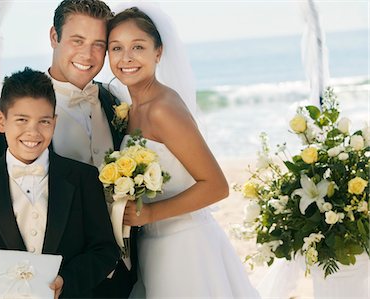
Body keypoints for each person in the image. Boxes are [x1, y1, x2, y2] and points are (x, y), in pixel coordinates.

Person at [0, 1, 136, 298]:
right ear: (54, 37)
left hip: (121, 278)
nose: (88, 54)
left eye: (99, 44)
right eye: (77, 40)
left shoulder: (115, 103)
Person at [106, 5, 261, 298]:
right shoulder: (132, 107)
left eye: (138, 47)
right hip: (153, 246)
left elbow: (217, 186)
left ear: (158, 52)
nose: (126, 58)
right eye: (116, 48)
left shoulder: (163, 108)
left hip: (184, 245)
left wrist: (149, 213)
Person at [0, 67, 118, 298]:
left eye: (43, 121)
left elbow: (105, 251)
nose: (32, 132)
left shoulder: (83, 178)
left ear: (54, 122)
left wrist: (67, 281)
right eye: (22, 120)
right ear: (0, 120)